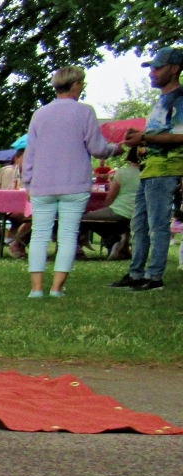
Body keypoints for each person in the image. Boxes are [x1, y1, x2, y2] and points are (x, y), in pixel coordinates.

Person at [22, 66, 122, 298]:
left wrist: (28, 181)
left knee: (39, 234)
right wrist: (115, 148)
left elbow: (31, 152)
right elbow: (98, 149)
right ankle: (56, 288)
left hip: (42, 184)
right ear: (76, 85)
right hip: (75, 184)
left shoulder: (40, 113)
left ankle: (36, 289)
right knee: (68, 235)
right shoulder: (85, 111)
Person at [110, 47, 183, 293]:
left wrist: (146, 138)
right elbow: (158, 134)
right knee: (138, 224)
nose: (152, 73)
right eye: (151, 68)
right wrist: (141, 140)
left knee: (158, 225)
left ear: (174, 69)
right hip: (150, 169)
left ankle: (154, 277)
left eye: (157, 68)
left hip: (166, 169)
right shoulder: (162, 99)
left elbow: (180, 136)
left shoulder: (180, 98)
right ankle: (136, 273)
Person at [87, 150, 140, 260]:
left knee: (85, 219)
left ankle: (114, 240)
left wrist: (105, 207)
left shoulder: (122, 172)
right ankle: (122, 246)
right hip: (139, 212)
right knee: (117, 224)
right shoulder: (147, 174)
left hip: (119, 210)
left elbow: (111, 196)